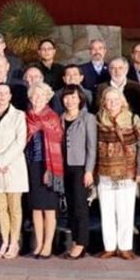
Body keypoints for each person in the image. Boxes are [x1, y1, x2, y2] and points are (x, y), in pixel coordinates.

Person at [95, 87, 140, 260]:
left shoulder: (133, 119)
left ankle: (125, 247)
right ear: (103, 102)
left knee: (125, 210)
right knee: (107, 211)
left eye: (115, 100)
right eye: (108, 100)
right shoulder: (97, 119)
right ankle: (109, 246)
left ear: (122, 101)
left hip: (127, 170)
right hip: (105, 171)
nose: (112, 103)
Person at [0, 83, 28, 259]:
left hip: (13, 166)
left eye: (5, 93)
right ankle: (4, 240)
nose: (1, 96)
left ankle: (14, 242)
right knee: (0, 208)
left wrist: (3, 161)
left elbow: (20, 141)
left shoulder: (19, 115)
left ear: (10, 96)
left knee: (14, 207)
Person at [25, 82, 64, 258]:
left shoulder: (53, 117)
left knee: (48, 207)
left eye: (41, 96)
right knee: (35, 207)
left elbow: (58, 141)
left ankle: (48, 245)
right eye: (34, 96)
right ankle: (38, 243)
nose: (37, 99)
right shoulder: (26, 117)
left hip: (49, 166)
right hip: (31, 165)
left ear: (47, 98)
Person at [60, 85, 96, 259]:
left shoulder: (88, 118)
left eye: (73, 97)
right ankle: (75, 241)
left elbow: (92, 147)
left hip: (80, 167)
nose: (70, 101)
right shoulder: (60, 118)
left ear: (80, 99)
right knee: (71, 207)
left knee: (81, 207)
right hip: (64, 167)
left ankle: (82, 244)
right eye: (67, 97)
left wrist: (89, 170)